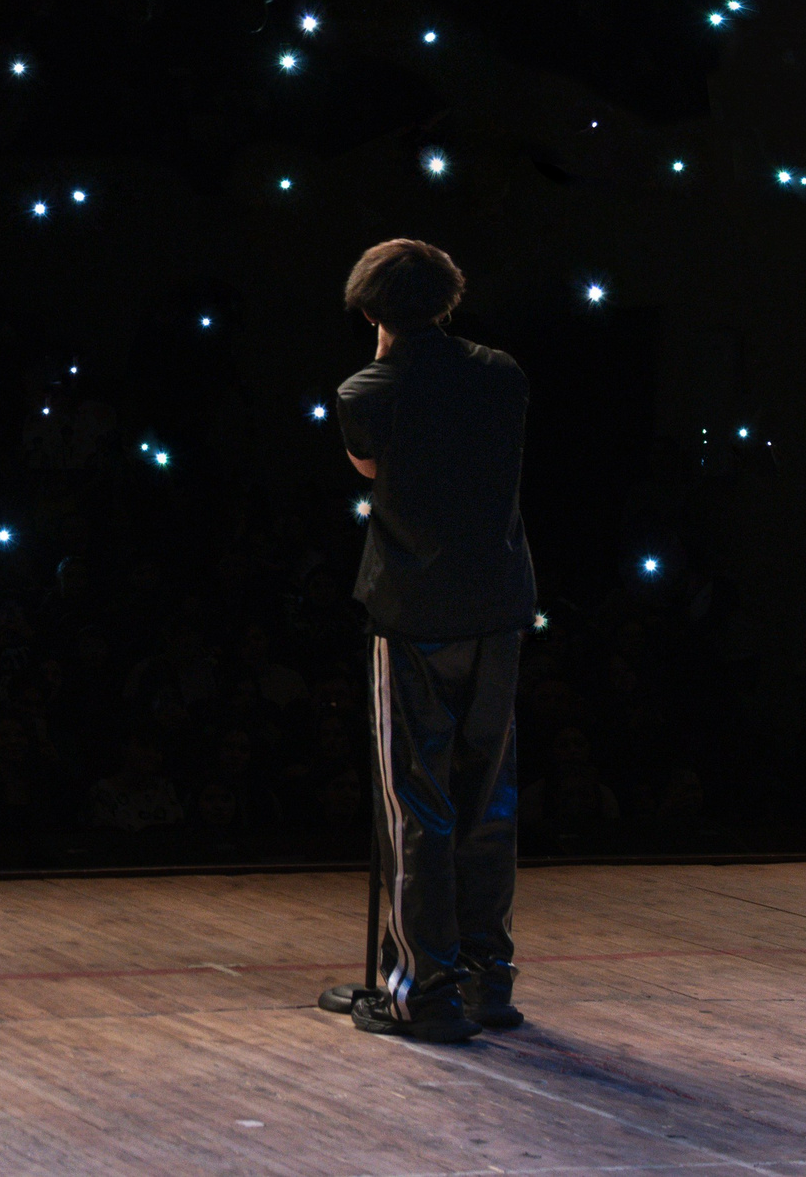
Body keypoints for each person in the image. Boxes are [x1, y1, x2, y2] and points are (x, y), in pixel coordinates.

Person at [332, 238, 532, 1043]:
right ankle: (487, 975)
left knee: (417, 799)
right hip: (498, 602)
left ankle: (422, 987)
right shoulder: (501, 372)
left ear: (371, 307)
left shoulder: (367, 386)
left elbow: (370, 470)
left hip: (415, 609)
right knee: (489, 794)